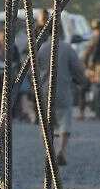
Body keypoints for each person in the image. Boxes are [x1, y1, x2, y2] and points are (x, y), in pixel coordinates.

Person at [31, 12, 87, 165]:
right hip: (63, 91)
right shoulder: (68, 49)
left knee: (45, 124)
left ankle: (49, 153)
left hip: (44, 91)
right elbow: (78, 71)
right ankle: (61, 149)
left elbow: (32, 71)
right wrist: (81, 81)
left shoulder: (40, 48)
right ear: (61, 32)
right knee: (65, 121)